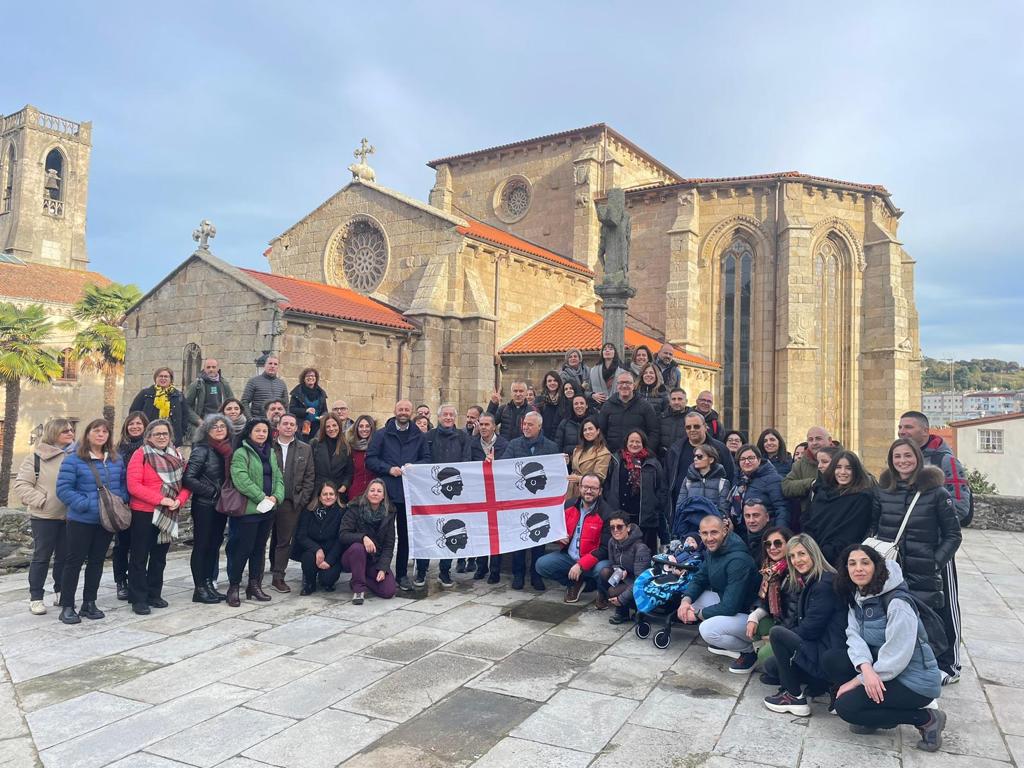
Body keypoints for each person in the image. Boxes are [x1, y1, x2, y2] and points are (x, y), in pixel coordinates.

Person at [829, 546, 945, 751]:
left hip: (915, 682)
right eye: (852, 563)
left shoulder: (897, 603)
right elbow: (853, 635)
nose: (859, 569)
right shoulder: (858, 595)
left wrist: (858, 681)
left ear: (877, 566)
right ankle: (874, 716)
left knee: (845, 707)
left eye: (865, 562)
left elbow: (897, 655)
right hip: (882, 671)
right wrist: (864, 669)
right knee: (833, 659)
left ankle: (925, 718)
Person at [873, 438, 962, 683]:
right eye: (897, 456)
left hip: (923, 566)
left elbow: (953, 534)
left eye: (908, 456)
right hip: (892, 567)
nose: (902, 461)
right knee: (894, 617)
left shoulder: (936, 492)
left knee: (930, 618)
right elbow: (874, 526)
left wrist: (935, 562)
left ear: (918, 458)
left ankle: (943, 666)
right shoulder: (884, 490)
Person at [899, 409, 970, 681]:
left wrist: (937, 551)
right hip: (908, 552)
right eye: (900, 427)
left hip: (935, 550)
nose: (903, 431)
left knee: (945, 605)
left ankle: (950, 665)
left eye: (909, 427)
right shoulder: (902, 461)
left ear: (925, 431)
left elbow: (960, 508)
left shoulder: (945, 460)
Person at [761, 534, 846, 715]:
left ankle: (793, 696)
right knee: (772, 666)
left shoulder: (824, 583)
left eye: (802, 554)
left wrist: (784, 637)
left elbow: (810, 629)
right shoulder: (812, 580)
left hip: (829, 652)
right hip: (821, 646)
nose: (797, 560)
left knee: (777, 634)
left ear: (813, 554)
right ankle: (817, 684)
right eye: (792, 556)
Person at [55, 419, 128, 624]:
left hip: (106, 521)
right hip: (81, 519)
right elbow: (63, 489)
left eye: (105, 431)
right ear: (88, 434)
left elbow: (122, 484)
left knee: (96, 562)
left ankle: (89, 603)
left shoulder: (115, 459)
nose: (101, 434)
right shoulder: (73, 460)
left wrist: (121, 499)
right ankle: (68, 605)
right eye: (96, 431)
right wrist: (85, 503)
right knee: (74, 562)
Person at [676, 515, 760, 672]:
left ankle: (750, 651)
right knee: (692, 602)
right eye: (705, 533)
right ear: (700, 534)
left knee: (707, 630)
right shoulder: (712, 551)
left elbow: (730, 607)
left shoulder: (738, 560)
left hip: (751, 616)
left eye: (714, 532)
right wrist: (685, 601)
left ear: (725, 531)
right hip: (733, 605)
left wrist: (699, 614)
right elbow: (700, 578)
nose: (709, 538)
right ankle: (728, 640)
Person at [125, 419, 190, 615]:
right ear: (149, 437)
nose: (161, 437)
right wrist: (161, 500)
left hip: (168, 512)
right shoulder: (141, 454)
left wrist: (179, 500)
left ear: (170, 436)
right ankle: (138, 597)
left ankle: (154, 593)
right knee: (139, 556)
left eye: (165, 434)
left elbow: (185, 483)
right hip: (145, 512)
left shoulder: (177, 455)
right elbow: (134, 485)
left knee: (159, 556)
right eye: (157, 434)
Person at [366, 399, 431, 592]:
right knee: (379, 535)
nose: (403, 412)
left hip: (407, 494)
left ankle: (401, 574)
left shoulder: (418, 435)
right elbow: (371, 459)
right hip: (385, 494)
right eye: (400, 409)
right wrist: (388, 469)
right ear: (395, 411)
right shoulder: (381, 435)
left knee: (404, 536)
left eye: (407, 410)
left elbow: (426, 459)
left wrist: (415, 467)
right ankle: (375, 571)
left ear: (411, 413)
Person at [15, 418, 74, 615]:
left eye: (71, 429)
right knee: (41, 557)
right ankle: (36, 597)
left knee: (65, 558)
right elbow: (21, 485)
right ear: (53, 433)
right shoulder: (36, 458)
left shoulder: (75, 456)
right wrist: (42, 500)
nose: (70, 433)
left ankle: (60, 592)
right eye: (65, 430)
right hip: (44, 516)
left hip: (69, 516)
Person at [499, 412, 560, 590]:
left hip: (541, 501)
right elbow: (503, 466)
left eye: (530, 424)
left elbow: (555, 475)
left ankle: (536, 575)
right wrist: (492, 463)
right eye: (524, 424)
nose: (526, 427)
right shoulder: (514, 444)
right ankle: (518, 575)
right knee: (520, 538)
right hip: (519, 501)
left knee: (539, 539)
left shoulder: (551, 447)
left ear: (539, 427)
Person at [226, 418, 284, 607]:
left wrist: (276, 497)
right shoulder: (242, 453)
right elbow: (241, 479)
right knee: (243, 549)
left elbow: (278, 477)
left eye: (264, 431)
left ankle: (254, 585)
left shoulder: (271, 453)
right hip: (249, 511)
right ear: (249, 432)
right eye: (257, 430)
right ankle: (234, 587)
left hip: (267, 510)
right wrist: (262, 497)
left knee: (259, 549)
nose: (261, 434)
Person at [416, 404, 472, 588]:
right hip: (430, 493)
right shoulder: (428, 437)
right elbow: (423, 460)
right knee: (426, 530)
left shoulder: (463, 437)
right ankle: (422, 570)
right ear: (439, 417)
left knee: (450, 530)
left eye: (451, 415)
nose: (448, 417)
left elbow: (466, 462)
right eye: (444, 415)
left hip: (453, 495)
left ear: (455, 418)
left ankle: (445, 571)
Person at [535, 473, 613, 602]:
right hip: (569, 557)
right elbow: (553, 529)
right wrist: (558, 538)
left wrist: (581, 565)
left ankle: (601, 591)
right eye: (585, 487)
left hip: (594, 561)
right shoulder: (568, 505)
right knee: (541, 565)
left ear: (600, 491)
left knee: (603, 570)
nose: (589, 491)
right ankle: (574, 583)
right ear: (579, 488)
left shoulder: (607, 513)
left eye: (593, 488)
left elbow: (605, 549)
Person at [183, 414, 233, 603]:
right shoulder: (201, 450)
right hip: (205, 505)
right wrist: (212, 491)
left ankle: (208, 583)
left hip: (221, 505)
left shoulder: (227, 451)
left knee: (214, 546)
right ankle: (199, 588)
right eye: (214, 427)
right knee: (202, 546)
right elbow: (188, 478)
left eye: (222, 426)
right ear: (206, 430)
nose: (219, 429)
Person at [803, 450, 874, 567]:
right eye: (838, 467)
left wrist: (821, 555)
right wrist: (809, 550)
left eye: (848, 468)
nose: (842, 472)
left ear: (856, 471)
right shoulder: (822, 493)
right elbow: (809, 522)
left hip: (837, 560)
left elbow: (850, 534)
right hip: (812, 556)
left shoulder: (862, 498)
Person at [269, 414, 315, 593]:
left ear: (296, 428)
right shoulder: (268, 447)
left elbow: (310, 476)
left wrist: (302, 499)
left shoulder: (305, 449)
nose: (288, 427)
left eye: (292, 424)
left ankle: (278, 576)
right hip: (268, 501)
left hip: (291, 502)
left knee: (284, 541)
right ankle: (255, 577)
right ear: (278, 426)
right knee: (260, 540)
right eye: (285, 423)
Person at [744, 525, 797, 667]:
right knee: (755, 625)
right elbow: (766, 602)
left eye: (778, 543)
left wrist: (775, 636)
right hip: (779, 621)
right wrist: (753, 616)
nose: (772, 547)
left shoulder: (795, 572)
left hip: (794, 629)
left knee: (765, 657)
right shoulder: (770, 569)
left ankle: (784, 667)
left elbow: (795, 615)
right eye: (768, 544)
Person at [604, 429, 664, 552]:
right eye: (632, 441)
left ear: (643, 444)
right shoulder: (616, 460)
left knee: (644, 553)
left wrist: (655, 506)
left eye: (638, 442)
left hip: (645, 518)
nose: (634, 444)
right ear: (626, 443)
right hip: (620, 515)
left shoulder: (652, 462)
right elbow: (607, 483)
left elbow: (661, 488)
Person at [339, 478, 398, 603]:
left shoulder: (389, 513)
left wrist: (383, 568)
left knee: (388, 591)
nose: (375, 493)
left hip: (374, 560)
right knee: (357, 547)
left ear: (383, 496)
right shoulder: (354, 508)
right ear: (367, 493)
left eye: (379, 491)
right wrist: (363, 537)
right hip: (353, 557)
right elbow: (343, 535)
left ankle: (360, 577)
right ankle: (358, 589)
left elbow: (389, 546)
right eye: (372, 490)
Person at [667, 411, 735, 518]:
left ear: (705, 427)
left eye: (696, 426)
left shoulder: (720, 449)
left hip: (714, 512)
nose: (692, 430)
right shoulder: (675, 449)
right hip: (683, 512)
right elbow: (667, 481)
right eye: (688, 427)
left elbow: (731, 476)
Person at [466, 412, 507, 581]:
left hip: (498, 494)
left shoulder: (505, 444)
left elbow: (508, 467)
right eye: (481, 424)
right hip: (478, 494)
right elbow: (467, 465)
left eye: (487, 424)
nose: (483, 427)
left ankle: (495, 570)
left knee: (496, 532)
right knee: (481, 531)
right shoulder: (472, 444)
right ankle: (481, 566)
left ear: (494, 426)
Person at [112, 411, 148, 601]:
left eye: (139, 424)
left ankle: (139, 580)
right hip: (124, 502)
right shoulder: (118, 450)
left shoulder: (150, 448)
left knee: (141, 545)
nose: (134, 427)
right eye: (131, 424)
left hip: (144, 503)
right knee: (122, 544)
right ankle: (121, 581)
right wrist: (122, 497)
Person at [599, 511, 652, 624]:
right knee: (604, 572)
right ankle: (623, 612)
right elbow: (613, 564)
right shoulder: (612, 542)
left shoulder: (640, 548)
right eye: (612, 527)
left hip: (640, 585)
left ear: (628, 528)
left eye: (619, 526)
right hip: (625, 579)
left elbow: (641, 581)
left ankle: (637, 610)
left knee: (613, 591)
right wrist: (620, 569)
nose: (616, 530)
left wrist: (621, 598)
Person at [293, 482, 344, 594]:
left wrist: (329, 560)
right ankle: (310, 583)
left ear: (336, 496)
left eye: (331, 494)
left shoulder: (342, 512)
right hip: (312, 551)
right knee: (307, 557)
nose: (328, 497)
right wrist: (317, 549)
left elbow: (340, 540)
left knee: (327, 580)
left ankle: (326, 580)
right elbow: (301, 536)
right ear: (319, 497)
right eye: (325, 494)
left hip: (332, 553)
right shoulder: (309, 511)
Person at [598, 371, 660, 454]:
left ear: (634, 386)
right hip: (612, 455)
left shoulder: (646, 406)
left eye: (628, 383)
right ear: (617, 386)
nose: (624, 386)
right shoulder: (607, 406)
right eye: (621, 383)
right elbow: (601, 431)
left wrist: (646, 452)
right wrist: (606, 451)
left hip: (638, 456)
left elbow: (654, 432)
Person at [782, 426, 833, 526]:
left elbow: (867, 479)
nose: (814, 443)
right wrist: (810, 483)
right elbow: (786, 486)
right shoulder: (800, 464)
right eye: (810, 440)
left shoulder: (844, 457)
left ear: (830, 440)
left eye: (818, 438)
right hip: (811, 520)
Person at [129, 367, 192, 447]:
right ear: (155, 378)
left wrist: (181, 433)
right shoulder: (145, 394)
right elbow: (133, 413)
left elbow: (185, 416)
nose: (163, 378)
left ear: (171, 379)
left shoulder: (178, 395)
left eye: (166, 376)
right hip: (148, 437)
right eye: (160, 376)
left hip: (172, 439)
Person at [731, 445, 789, 529]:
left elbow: (782, 508)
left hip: (767, 532)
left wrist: (779, 532)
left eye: (751, 458)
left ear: (759, 460)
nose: (747, 462)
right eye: (742, 459)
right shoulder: (739, 480)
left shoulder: (773, 479)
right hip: (743, 531)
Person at [676, 443, 731, 520]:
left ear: (711, 460)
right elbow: (680, 507)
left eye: (699, 456)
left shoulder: (722, 483)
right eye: (695, 456)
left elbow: (724, 510)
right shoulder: (688, 480)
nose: (695, 459)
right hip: (690, 527)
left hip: (712, 527)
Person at [185, 358, 235, 434]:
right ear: (204, 369)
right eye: (208, 367)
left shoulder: (224, 384)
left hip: (220, 426)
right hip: (202, 427)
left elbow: (232, 404)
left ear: (218, 369)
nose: (211, 369)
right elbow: (185, 406)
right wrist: (198, 420)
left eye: (213, 367)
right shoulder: (197, 384)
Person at [567, 416, 612, 501]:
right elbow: (574, 467)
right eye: (585, 430)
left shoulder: (603, 452)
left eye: (590, 429)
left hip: (589, 493)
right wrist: (567, 461)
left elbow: (600, 477)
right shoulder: (577, 449)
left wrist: (579, 479)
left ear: (598, 431)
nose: (587, 432)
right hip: (571, 492)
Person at [311, 414, 353, 500]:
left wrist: (344, 485)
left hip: (338, 491)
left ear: (339, 426)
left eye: (334, 425)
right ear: (324, 428)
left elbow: (349, 472)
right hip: (318, 490)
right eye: (328, 426)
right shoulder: (315, 444)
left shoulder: (346, 446)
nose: (331, 429)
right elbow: (309, 469)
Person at [242, 355, 289, 420]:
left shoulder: (281, 384)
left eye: (275, 364)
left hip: (276, 421)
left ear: (278, 367)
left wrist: (285, 419)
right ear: (265, 365)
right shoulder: (253, 381)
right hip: (258, 420)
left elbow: (286, 405)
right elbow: (244, 402)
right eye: (270, 363)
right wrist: (250, 419)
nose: (272, 366)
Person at [288, 368, 328, 442]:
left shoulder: (321, 393)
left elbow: (325, 410)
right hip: (301, 426)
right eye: (307, 376)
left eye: (313, 376)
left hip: (317, 427)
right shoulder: (297, 392)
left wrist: (323, 416)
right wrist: (305, 410)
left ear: (316, 378)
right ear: (303, 378)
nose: (310, 377)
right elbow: (292, 409)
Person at [346, 415, 377, 501]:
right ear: (356, 428)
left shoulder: (378, 447)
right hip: (355, 493)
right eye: (361, 426)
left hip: (374, 493)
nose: (364, 429)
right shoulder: (351, 447)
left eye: (367, 426)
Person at [589, 343, 628, 408]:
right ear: (602, 353)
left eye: (610, 349)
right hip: (597, 407)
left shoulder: (623, 371)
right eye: (605, 349)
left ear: (615, 353)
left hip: (618, 406)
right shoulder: (593, 370)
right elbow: (588, 390)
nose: (607, 350)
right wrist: (592, 395)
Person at [658, 388, 690, 464]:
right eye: (673, 399)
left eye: (680, 399)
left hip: (684, 461)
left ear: (686, 401)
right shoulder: (661, 418)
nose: (676, 402)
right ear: (669, 402)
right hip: (663, 461)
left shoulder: (692, 419)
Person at [535, 370, 568, 441]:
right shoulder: (539, 400)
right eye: (549, 381)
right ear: (546, 383)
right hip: (543, 438)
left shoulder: (565, 399)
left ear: (559, 383)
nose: (552, 383)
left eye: (555, 380)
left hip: (561, 437)